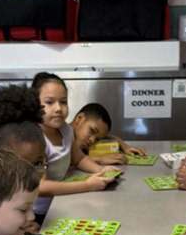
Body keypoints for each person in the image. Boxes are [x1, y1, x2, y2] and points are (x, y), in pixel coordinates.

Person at [31, 72, 121, 219]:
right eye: (49, 102)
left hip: (59, 203)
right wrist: (87, 185)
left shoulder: (66, 130)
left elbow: (79, 159)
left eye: (63, 102)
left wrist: (101, 170)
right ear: (34, 104)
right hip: (37, 214)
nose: (58, 108)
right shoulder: (34, 138)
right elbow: (41, 187)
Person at [71, 102, 147, 165]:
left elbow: (109, 137)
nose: (92, 140)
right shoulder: (60, 132)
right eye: (92, 130)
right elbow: (63, 160)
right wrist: (99, 159)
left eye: (97, 139)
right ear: (79, 119)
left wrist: (125, 146)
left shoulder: (80, 138)